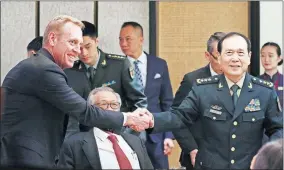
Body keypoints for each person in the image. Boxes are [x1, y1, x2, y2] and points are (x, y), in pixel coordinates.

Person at [0, 15, 151, 169]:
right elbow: (83, 111)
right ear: (52, 39)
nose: (78, 50)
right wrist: (128, 118)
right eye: (72, 42)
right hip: (24, 160)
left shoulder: (41, 65)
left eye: (80, 44)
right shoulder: (44, 69)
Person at [148, 32, 283, 169]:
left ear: (249, 57)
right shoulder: (203, 89)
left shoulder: (264, 91)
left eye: (240, 53)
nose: (235, 58)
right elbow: (179, 116)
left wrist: (266, 155)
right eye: (229, 53)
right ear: (220, 57)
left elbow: (278, 128)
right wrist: (151, 120)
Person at [64, 21, 147, 138]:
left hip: (118, 134)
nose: (83, 53)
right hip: (85, 140)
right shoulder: (70, 70)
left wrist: (127, 134)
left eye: (88, 46)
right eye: (79, 48)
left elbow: (139, 102)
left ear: (96, 41)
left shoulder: (119, 65)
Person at [119, 21, 175, 169]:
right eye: (120, 39)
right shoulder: (117, 65)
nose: (123, 43)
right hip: (128, 133)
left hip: (156, 134)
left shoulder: (159, 64)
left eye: (128, 39)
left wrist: (169, 135)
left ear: (141, 39)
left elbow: (168, 102)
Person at [57, 87, 153, 169]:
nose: (110, 109)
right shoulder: (73, 144)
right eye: (103, 104)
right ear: (91, 109)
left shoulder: (136, 141)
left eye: (114, 104)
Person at [173, 32, 226, 170]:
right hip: (198, 156)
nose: (224, 62)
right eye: (218, 57)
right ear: (207, 56)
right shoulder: (193, 80)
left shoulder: (240, 79)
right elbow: (177, 118)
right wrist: (191, 148)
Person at [259, 42, 283, 106]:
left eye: (270, 56)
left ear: (279, 58)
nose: (266, 59)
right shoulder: (254, 82)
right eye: (263, 55)